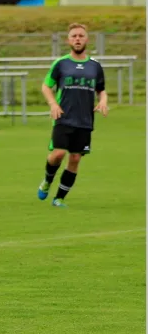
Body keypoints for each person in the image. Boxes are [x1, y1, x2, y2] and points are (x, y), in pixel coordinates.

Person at [37, 23, 108, 207]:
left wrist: (103, 101)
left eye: (81, 36)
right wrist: (53, 103)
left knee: (75, 158)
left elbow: (101, 90)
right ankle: (46, 181)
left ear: (87, 39)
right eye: (74, 36)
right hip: (63, 117)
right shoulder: (61, 64)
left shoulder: (95, 66)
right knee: (57, 154)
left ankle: (59, 199)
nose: (77, 39)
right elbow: (46, 86)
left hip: (84, 120)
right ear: (68, 40)